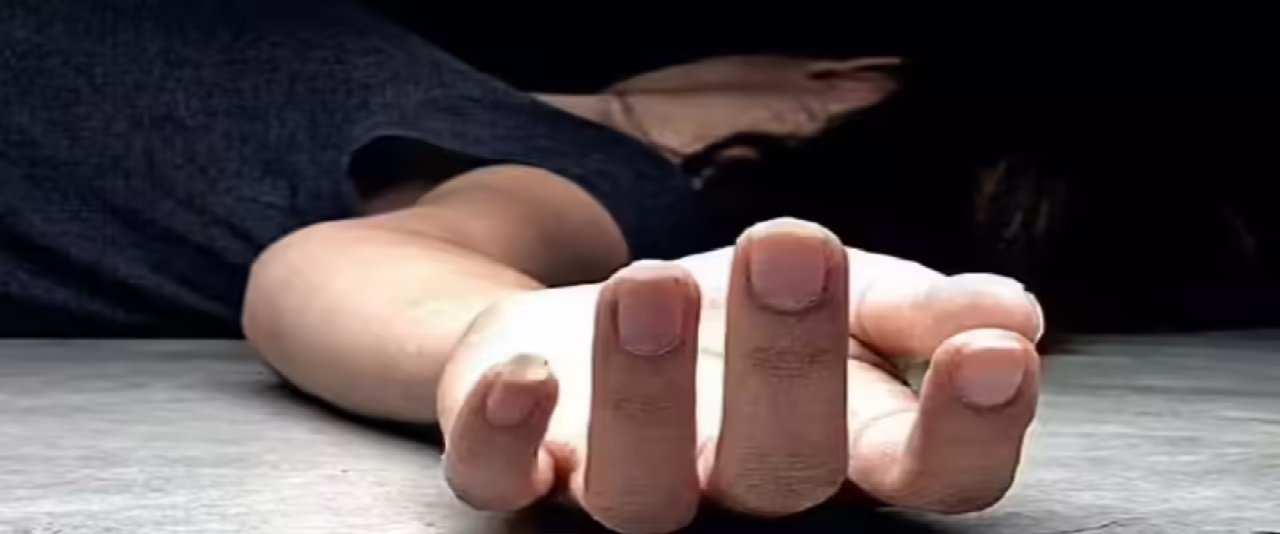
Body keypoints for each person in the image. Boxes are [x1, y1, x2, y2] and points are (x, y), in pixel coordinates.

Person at [1, 1, 1044, 532]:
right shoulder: (462, 99)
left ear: (847, 80)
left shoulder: (601, 175)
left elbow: (360, 261)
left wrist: (514, 332)